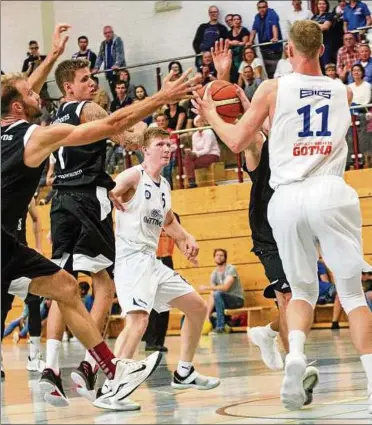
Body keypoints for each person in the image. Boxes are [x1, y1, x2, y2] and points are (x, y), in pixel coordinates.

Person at [2, 23, 199, 410]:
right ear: (18, 107)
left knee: (66, 287)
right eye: (29, 93)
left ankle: (102, 368)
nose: (36, 90)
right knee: (91, 286)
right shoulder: (34, 135)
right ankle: (103, 369)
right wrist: (161, 97)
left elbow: (18, 91)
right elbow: (109, 126)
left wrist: (53, 57)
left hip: (34, 221)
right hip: (70, 206)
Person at [192, 21, 372, 414]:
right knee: (353, 294)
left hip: (286, 200)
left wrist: (211, 112)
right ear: (322, 49)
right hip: (328, 190)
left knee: (301, 292)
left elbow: (239, 140)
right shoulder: (342, 90)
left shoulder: (272, 90)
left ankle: (295, 360)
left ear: (288, 52)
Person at [206, 38, 319, 405]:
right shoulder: (258, 144)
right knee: (288, 295)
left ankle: (268, 333)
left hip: (299, 221)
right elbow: (236, 124)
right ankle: (295, 369)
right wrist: (223, 76)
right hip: (269, 227)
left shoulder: (295, 142)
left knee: (305, 300)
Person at [98, 127, 220, 410]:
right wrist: (109, 196)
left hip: (152, 262)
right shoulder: (133, 176)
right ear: (145, 149)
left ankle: (185, 371)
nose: (167, 148)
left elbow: (169, 222)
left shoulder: (164, 186)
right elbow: (106, 197)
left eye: (170, 144)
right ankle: (110, 389)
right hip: (130, 261)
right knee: (138, 321)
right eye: (161, 144)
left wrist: (185, 238)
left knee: (198, 307)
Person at [143, 213, 181, 352]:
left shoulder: (174, 222)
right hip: (153, 261)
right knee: (153, 303)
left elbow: (180, 238)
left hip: (167, 261)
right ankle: (150, 340)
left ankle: (160, 340)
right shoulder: (152, 222)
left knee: (166, 302)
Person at [200, 249, 244, 334]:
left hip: (236, 300)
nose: (219, 257)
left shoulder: (231, 269)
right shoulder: (214, 273)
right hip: (221, 300)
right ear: (214, 258)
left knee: (217, 294)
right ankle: (223, 324)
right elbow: (212, 293)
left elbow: (225, 288)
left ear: (225, 257)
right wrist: (207, 315)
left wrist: (207, 287)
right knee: (207, 303)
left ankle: (220, 327)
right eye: (217, 255)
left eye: (221, 255)